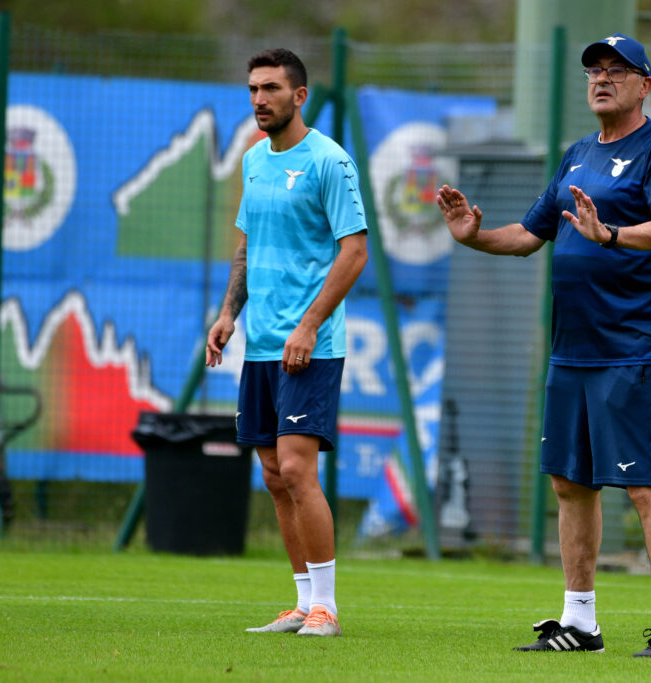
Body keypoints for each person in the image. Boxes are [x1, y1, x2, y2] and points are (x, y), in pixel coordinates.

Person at [437, 33, 651, 659]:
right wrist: (473, 235)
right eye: (594, 70)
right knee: (568, 482)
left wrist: (607, 233)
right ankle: (579, 621)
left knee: (644, 485)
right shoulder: (577, 153)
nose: (601, 78)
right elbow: (529, 236)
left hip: (636, 342)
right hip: (573, 346)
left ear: (645, 84)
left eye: (617, 69)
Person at [206, 48, 369, 638]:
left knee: (299, 470)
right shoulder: (253, 160)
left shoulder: (330, 161)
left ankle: (326, 608)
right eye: (252, 88)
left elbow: (355, 252)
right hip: (261, 345)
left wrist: (308, 325)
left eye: (271, 88)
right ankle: (302, 603)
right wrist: (228, 314)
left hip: (312, 345)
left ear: (299, 96)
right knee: (274, 474)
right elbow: (248, 245)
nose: (258, 99)